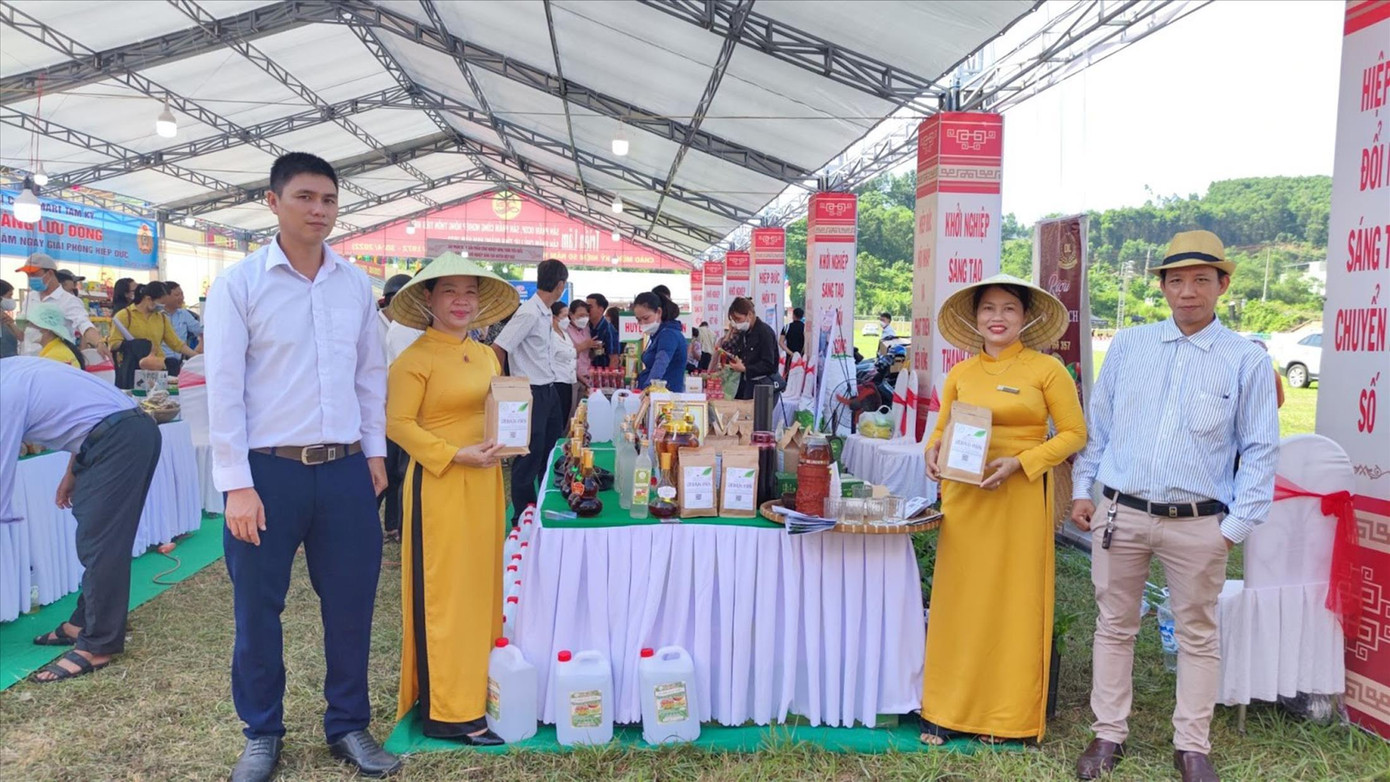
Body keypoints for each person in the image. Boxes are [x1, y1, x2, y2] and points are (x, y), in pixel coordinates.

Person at [205, 152, 399, 782]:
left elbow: (369, 375)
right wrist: (237, 485)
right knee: (257, 608)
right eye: (305, 197)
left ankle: (348, 724)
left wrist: (374, 453)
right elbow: (223, 389)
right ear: (273, 201)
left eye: (329, 200)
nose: (319, 210)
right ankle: (262, 732)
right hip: (268, 473)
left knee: (351, 603)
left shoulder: (354, 285)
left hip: (345, 470)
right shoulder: (240, 285)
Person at [1070, 231, 1278, 782]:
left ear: (1223, 285)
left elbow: (1260, 448)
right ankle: (1108, 734)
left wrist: (1232, 529)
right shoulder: (1130, 346)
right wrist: (1082, 490)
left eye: (1201, 280)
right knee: (1115, 625)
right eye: (1177, 280)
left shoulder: (1246, 360)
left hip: (1199, 522)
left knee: (1197, 633)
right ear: (1162, 286)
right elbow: (1099, 426)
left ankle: (1192, 746)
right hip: (1121, 513)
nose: (1188, 291)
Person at [919, 274, 1086, 746]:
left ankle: (1006, 717)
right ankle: (946, 711)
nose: (998, 317)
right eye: (988, 308)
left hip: (1021, 498)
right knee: (959, 600)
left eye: (1009, 308)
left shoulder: (1047, 369)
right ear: (975, 318)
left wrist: (1022, 462)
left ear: (1025, 317)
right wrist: (932, 451)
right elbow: (942, 428)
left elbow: (1074, 434)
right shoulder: (961, 372)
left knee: (1014, 602)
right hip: (965, 498)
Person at [385, 252, 517, 745]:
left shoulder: (485, 355)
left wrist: (509, 439)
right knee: (447, 593)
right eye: (449, 291)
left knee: (482, 586)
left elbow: (500, 408)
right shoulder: (414, 359)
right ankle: (448, 710)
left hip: (485, 482)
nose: (462, 301)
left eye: (470, 292)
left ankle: (480, 691)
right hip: (440, 484)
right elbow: (397, 424)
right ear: (428, 298)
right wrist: (453, 454)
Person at [3, 358, 161, 682]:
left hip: (120, 439)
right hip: (118, 434)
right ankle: (82, 623)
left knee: (101, 543)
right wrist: (72, 472)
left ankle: (98, 645)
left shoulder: (5, 391)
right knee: (98, 536)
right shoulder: (14, 369)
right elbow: (88, 414)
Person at [494, 258, 569, 523]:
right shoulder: (528, 312)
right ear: (560, 285)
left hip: (548, 389)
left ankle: (543, 504)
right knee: (529, 455)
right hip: (529, 391)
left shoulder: (545, 312)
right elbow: (499, 346)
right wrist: (503, 386)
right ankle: (522, 515)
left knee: (551, 451)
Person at [377, 273, 417, 542]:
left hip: (397, 408)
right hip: (383, 409)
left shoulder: (406, 325)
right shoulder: (381, 326)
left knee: (397, 473)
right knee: (385, 472)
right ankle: (370, 523)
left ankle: (393, 526)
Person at [16, 252, 108, 361]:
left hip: (56, 361)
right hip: (27, 360)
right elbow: (23, 329)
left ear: (50, 273)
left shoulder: (69, 301)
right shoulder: (30, 297)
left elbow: (84, 324)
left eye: (34, 274)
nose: (30, 278)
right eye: (28, 275)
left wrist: (98, 342)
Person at [108, 281, 198, 381]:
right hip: (133, 368)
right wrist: (136, 344)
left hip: (157, 368)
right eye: (160, 304)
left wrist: (197, 357)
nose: (162, 307)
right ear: (148, 299)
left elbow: (176, 344)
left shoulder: (162, 318)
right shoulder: (124, 315)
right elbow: (113, 343)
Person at [723, 297, 780, 400]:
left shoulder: (764, 332)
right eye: (734, 321)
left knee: (758, 411)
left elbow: (769, 365)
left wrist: (745, 369)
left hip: (763, 387)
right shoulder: (745, 333)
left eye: (738, 319)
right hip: (747, 384)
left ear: (749, 314)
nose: (736, 324)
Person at [633, 291, 686, 391]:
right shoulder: (658, 335)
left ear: (659, 312)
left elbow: (661, 363)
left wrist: (648, 389)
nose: (642, 323)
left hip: (665, 396)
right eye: (638, 320)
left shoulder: (668, 335)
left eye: (646, 318)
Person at [28, 303, 84, 369]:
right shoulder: (57, 349)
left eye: (32, 325)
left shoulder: (54, 357)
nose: (28, 329)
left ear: (47, 329)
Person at [160, 282, 204, 366]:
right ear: (165, 297)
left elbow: (200, 329)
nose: (181, 298)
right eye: (177, 295)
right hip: (160, 362)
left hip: (178, 362)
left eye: (182, 294)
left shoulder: (184, 314)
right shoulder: (157, 315)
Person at [552, 300, 578, 422]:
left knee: (566, 414)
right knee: (559, 417)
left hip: (568, 380)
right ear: (554, 317)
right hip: (557, 380)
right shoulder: (550, 335)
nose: (567, 319)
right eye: (564, 316)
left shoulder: (564, 334)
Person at [565, 300, 597, 398]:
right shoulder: (565, 330)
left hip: (587, 374)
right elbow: (566, 353)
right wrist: (584, 345)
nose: (584, 319)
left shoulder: (586, 329)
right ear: (571, 315)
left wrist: (594, 348)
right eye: (581, 315)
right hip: (573, 376)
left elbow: (588, 353)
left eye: (586, 315)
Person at [585, 292, 618, 368]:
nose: (586, 310)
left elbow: (614, 359)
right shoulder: (586, 327)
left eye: (590, 307)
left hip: (602, 372)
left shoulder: (609, 330)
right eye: (585, 307)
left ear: (601, 309)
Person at [1, 279, 22, 359]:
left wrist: (11, 323)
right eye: (9, 296)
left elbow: (21, 337)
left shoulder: (5, 319)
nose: (11, 299)